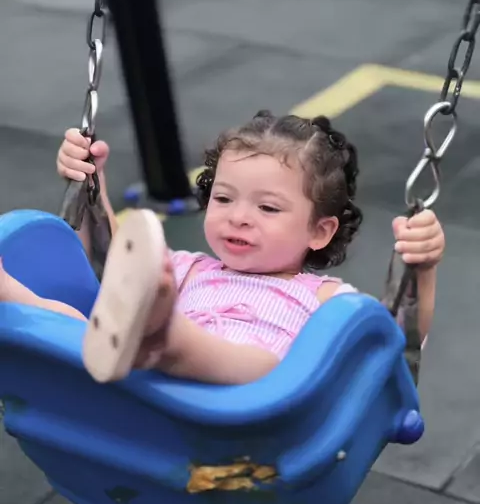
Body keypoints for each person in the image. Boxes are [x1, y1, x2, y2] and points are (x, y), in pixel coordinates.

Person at [1, 112, 445, 385]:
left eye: (268, 207)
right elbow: (107, 260)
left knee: (265, 365)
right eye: (225, 198)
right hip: (146, 392)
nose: (239, 217)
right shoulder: (186, 269)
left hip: (246, 406)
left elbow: (393, 342)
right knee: (78, 321)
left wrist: (421, 269)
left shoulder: (326, 298)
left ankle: (169, 343)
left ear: (319, 231)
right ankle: (9, 291)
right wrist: (89, 182)